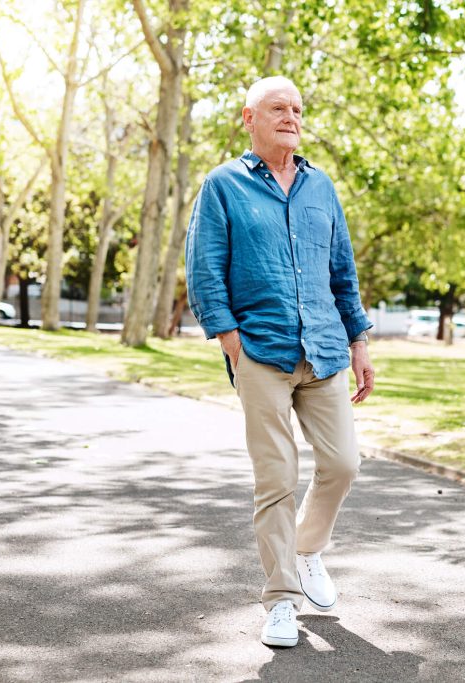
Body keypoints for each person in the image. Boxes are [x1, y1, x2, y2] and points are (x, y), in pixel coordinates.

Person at [185, 76, 375, 648]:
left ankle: (307, 550)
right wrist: (231, 343)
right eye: (277, 107)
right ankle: (281, 600)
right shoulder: (222, 186)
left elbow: (342, 269)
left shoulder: (322, 188)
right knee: (276, 479)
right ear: (250, 117)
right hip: (260, 353)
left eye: (296, 108)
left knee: (344, 464)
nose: (290, 116)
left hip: (323, 350)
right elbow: (204, 270)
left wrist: (359, 340)